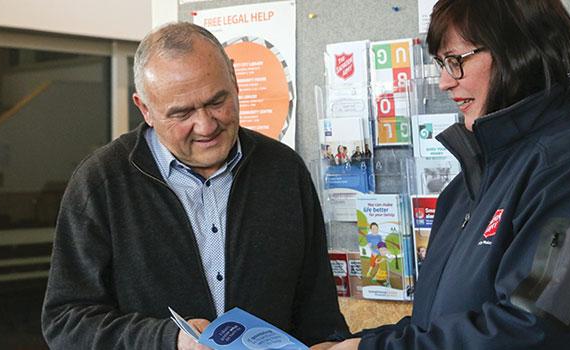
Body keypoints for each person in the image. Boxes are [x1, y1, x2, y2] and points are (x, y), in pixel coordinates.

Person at [329, 0, 570, 349]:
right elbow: (439, 320)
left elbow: (532, 331)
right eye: (442, 63)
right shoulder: (471, 181)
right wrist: (358, 342)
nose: (445, 82)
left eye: (456, 60)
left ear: (519, 51)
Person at [41, 22, 349, 350]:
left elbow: (319, 314)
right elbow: (66, 323)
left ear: (234, 79)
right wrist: (169, 340)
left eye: (217, 102)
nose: (205, 125)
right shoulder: (101, 183)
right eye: (183, 113)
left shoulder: (284, 171)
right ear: (145, 109)